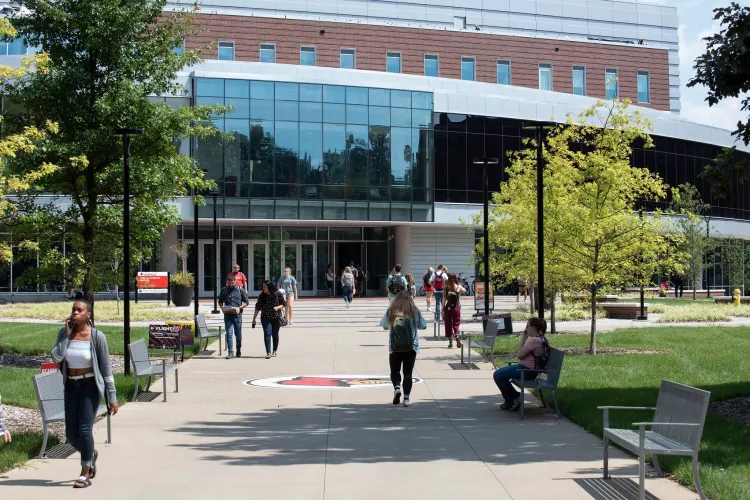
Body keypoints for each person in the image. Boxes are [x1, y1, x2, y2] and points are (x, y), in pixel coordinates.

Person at [50, 300, 118, 489]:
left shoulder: (97, 337)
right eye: (73, 309)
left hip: (90, 386)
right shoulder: (64, 334)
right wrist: (67, 336)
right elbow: (56, 357)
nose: (75, 312)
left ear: (88, 314)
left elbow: (106, 369)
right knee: (71, 434)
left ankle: (84, 472)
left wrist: (112, 397)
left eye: (79, 310)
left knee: (85, 429)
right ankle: (90, 454)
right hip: (71, 386)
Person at [380, 291, 426, 407]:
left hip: (395, 347)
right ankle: (406, 399)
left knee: (395, 371)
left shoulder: (391, 311)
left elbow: (384, 326)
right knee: (408, 373)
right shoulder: (414, 311)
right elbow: (423, 325)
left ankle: (397, 388)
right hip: (411, 347)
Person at [492, 317, 548, 410]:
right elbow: (520, 353)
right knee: (500, 374)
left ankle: (513, 399)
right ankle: (513, 398)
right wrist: (524, 337)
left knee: (498, 374)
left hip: (526, 370)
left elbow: (519, 354)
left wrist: (523, 338)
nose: (526, 329)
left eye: (527, 326)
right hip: (530, 370)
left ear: (533, 328)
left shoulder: (534, 340)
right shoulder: (542, 339)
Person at [252, 281, 286, 359]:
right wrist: (254, 319)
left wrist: (277, 307)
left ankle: (274, 350)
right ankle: (268, 352)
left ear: (269, 287)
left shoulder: (277, 294)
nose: (263, 288)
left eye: (265, 287)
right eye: (263, 287)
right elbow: (257, 307)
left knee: (275, 334)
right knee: (267, 334)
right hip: (265, 318)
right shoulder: (262, 295)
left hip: (276, 317)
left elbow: (284, 304)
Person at [219, 274, 250, 359]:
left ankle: (238, 349)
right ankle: (230, 352)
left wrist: (239, 308)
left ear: (235, 282)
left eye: (232, 283)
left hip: (237, 315)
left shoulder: (241, 290)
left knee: (238, 334)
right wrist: (222, 308)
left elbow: (246, 302)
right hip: (228, 315)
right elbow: (220, 301)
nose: (231, 285)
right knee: (229, 334)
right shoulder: (224, 290)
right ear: (227, 282)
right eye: (229, 283)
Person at [442, 273, 465, 349]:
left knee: (448, 324)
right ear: (455, 279)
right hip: (456, 307)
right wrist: (459, 291)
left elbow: (444, 300)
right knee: (456, 323)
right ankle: (457, 335)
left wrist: (442, 310)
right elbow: (464, 290)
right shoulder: (458, 286)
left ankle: (450, 342)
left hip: (448, 307)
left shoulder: (446, 287)